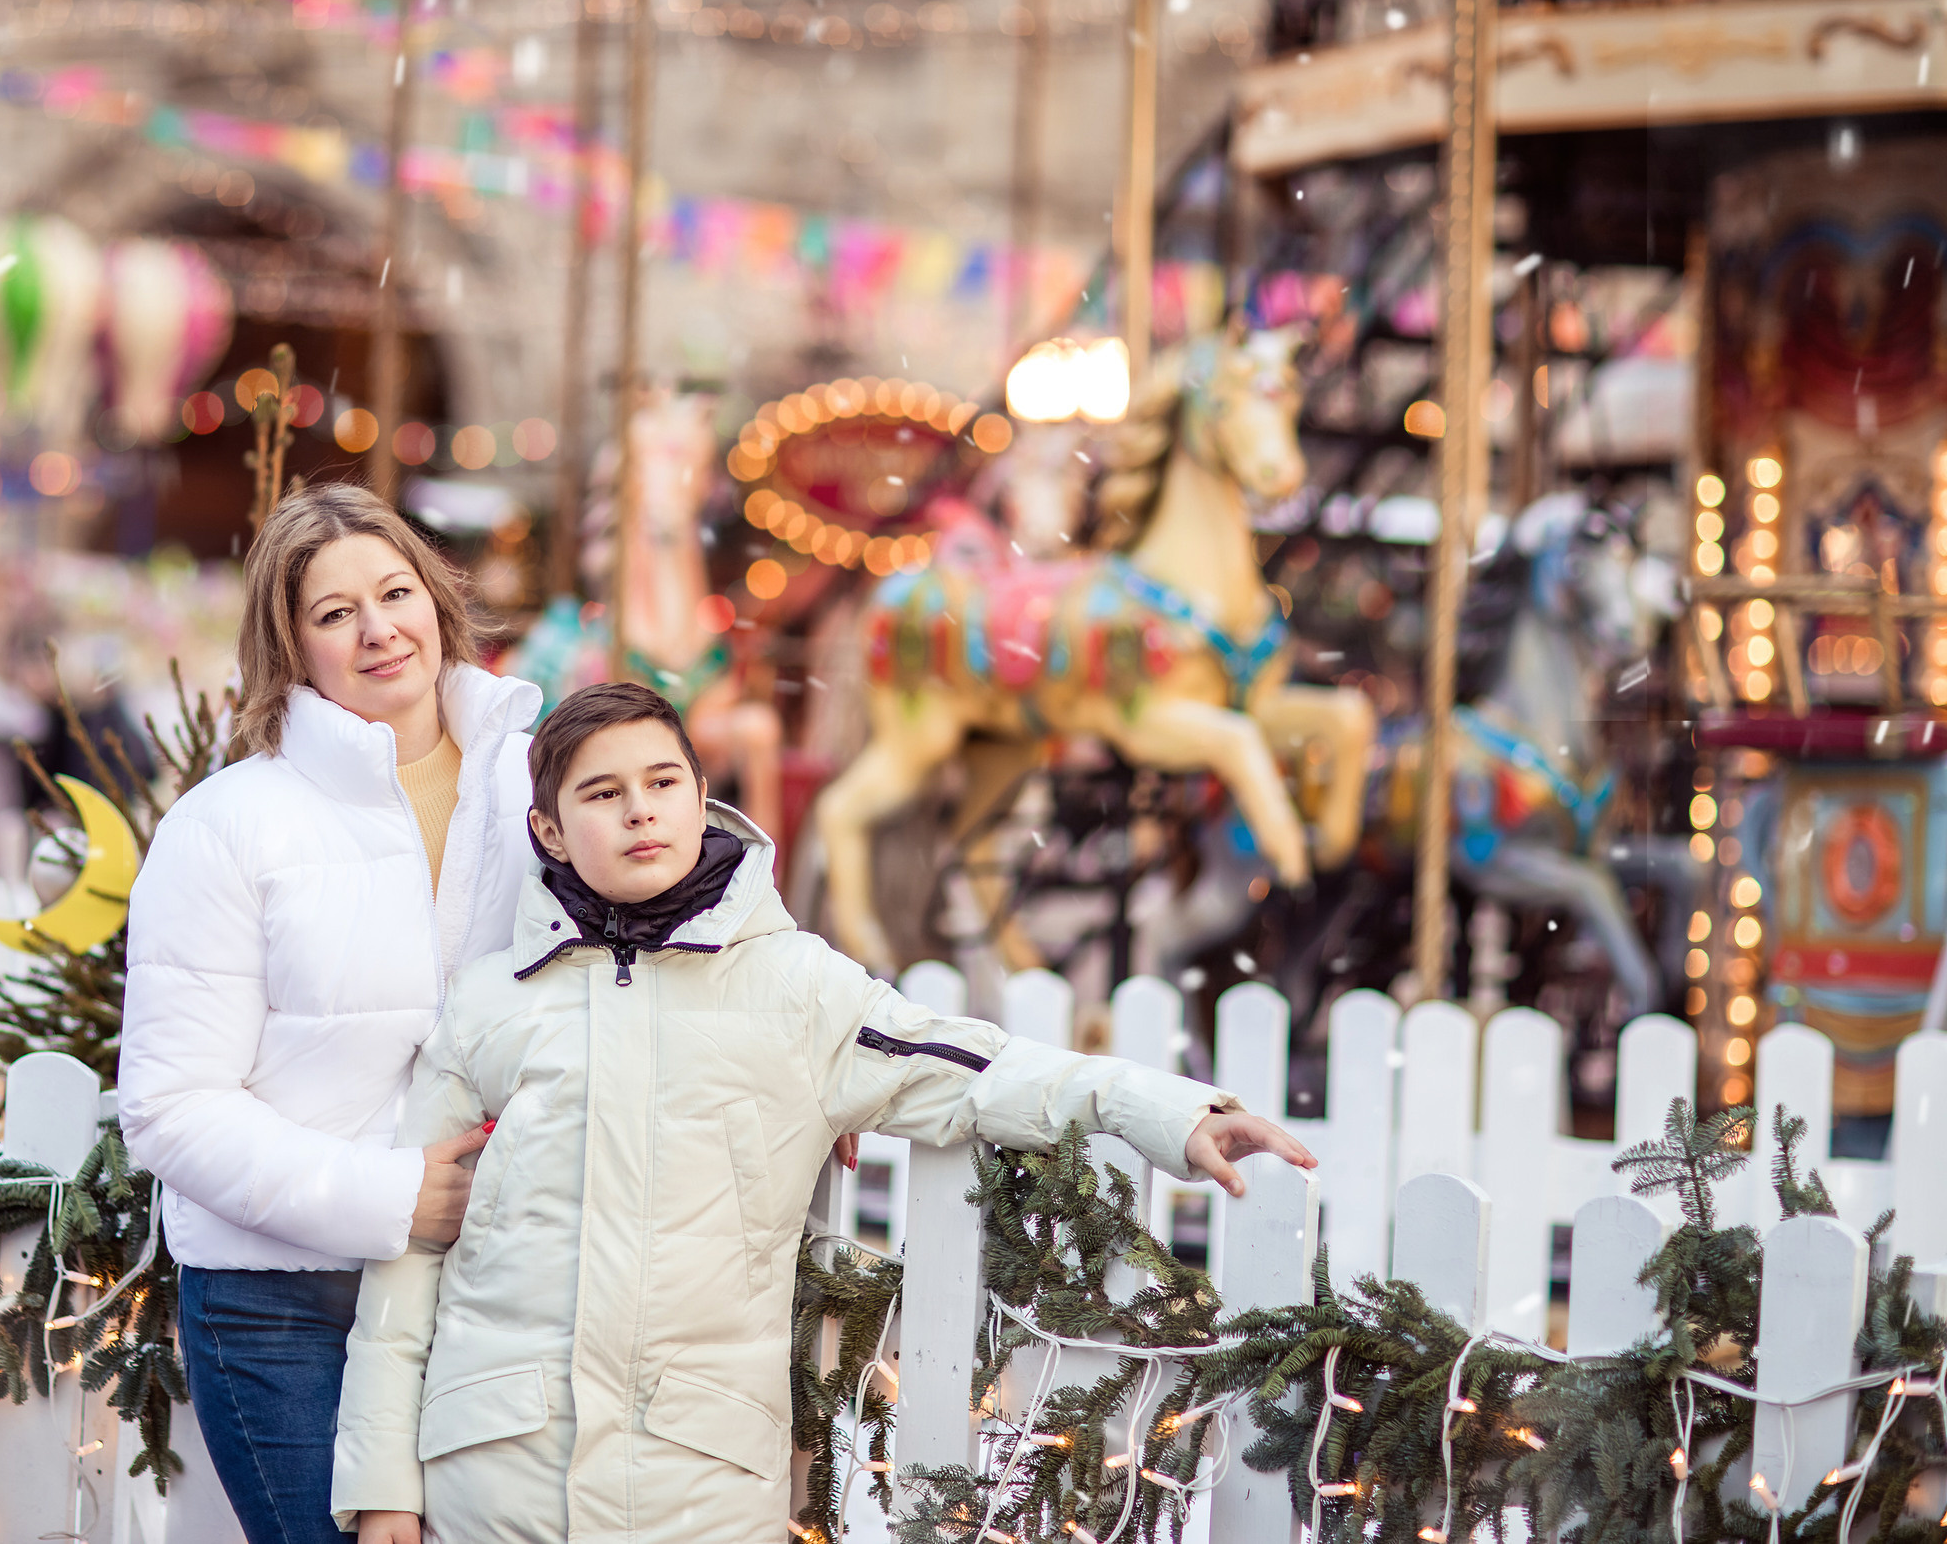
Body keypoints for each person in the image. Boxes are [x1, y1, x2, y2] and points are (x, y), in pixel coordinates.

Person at [332, 681, 1316, 1544]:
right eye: (601, 793)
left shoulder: (793, 989)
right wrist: (383, 1483)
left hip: (696, 1476)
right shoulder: (491, 1003)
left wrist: (1169, 1111)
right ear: (548, 829)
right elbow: (412, 1253)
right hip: (494, 1472)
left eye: (663, 783)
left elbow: (976, 1066)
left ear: (698, 796)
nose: (640, 812)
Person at [119, 484, 542, 1544]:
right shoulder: (227, 827)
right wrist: (390, 1195)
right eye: (333, 612)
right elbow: (171, 1108)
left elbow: (688, 895)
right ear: (290, 648)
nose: (378, 629)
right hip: (283, 1304)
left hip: (491, 1289)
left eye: (395, 592)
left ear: (438, 600)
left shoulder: (536, 787)